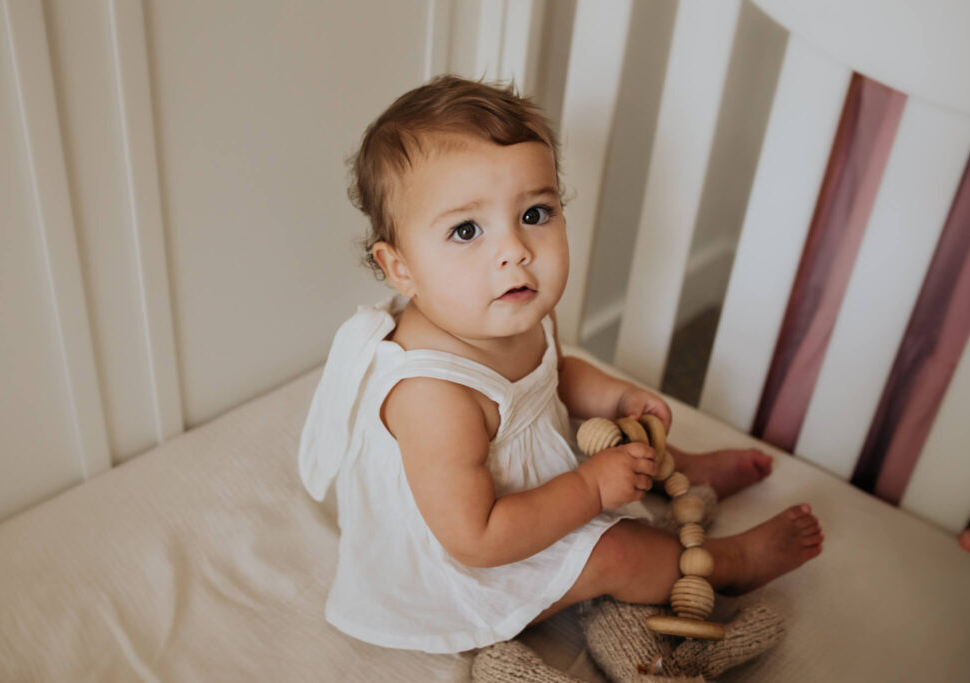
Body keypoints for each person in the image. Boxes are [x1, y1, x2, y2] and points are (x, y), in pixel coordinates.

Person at [298, 75, 823, 654]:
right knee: (619, 553)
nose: (515, 250)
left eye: (535, 213)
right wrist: (591, 489)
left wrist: (616, 399)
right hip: (469, 561)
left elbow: (554, 378)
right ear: (400, 269)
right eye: (466, 230)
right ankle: (725, 564)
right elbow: (477, 537)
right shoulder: (432, 394)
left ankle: (683, 472)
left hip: (523, 492)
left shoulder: (509, 308)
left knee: (621, 436)